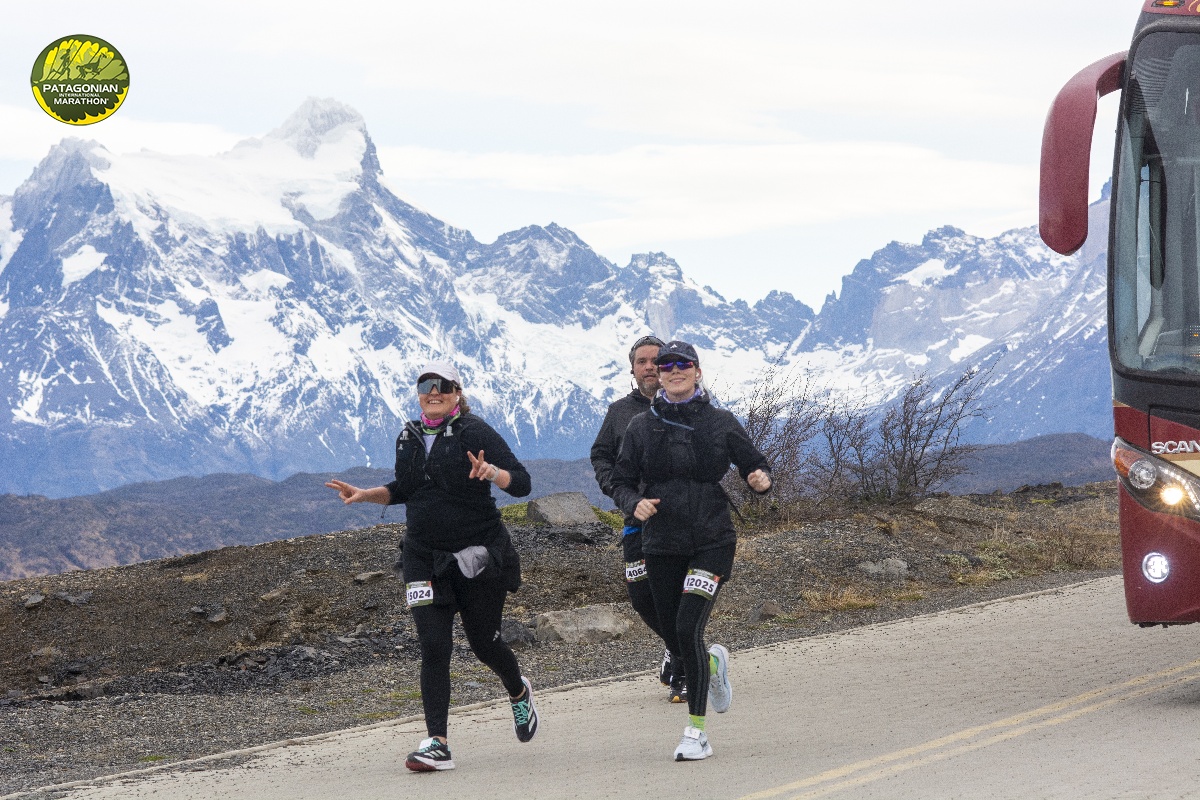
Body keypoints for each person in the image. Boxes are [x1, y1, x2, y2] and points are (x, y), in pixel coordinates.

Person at [325, 361, 537, 772]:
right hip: (422, 557)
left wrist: (492, 472)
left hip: (477, 556)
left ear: (457, 392)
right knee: (434, 645)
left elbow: (523, 482)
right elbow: (406, 488)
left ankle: (518, 690)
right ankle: (437, 743)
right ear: (419, 393)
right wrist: (366, 494)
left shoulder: (475, 431)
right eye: (426, 385)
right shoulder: (408, 435)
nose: (433, 392)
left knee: (484, 644)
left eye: (443, 385)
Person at [609, 340, 772, 762]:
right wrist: (633, 503)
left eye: (683, 364)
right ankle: (712, 665)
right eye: (666, 365)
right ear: (659, 375)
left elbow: (754, 462)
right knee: (675, 632)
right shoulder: (641, 426)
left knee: (687, 629)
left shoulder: (720, 422)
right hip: (661, 542)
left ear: (697, 371)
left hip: (711, 539)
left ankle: (696, 733)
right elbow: (620, 480)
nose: (674, 370)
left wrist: (760, 479)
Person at [590, 334, 687, 703]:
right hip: (636, 520)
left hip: (680, 520)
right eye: (641, 362)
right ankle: (678, 648)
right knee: (642, 597)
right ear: (632, 370)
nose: (649, 367)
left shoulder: (687, 407)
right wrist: (618, 491)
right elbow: (600, 456)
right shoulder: (619, 412)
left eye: (655, 360)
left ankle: (685, 668)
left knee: (676, 596)